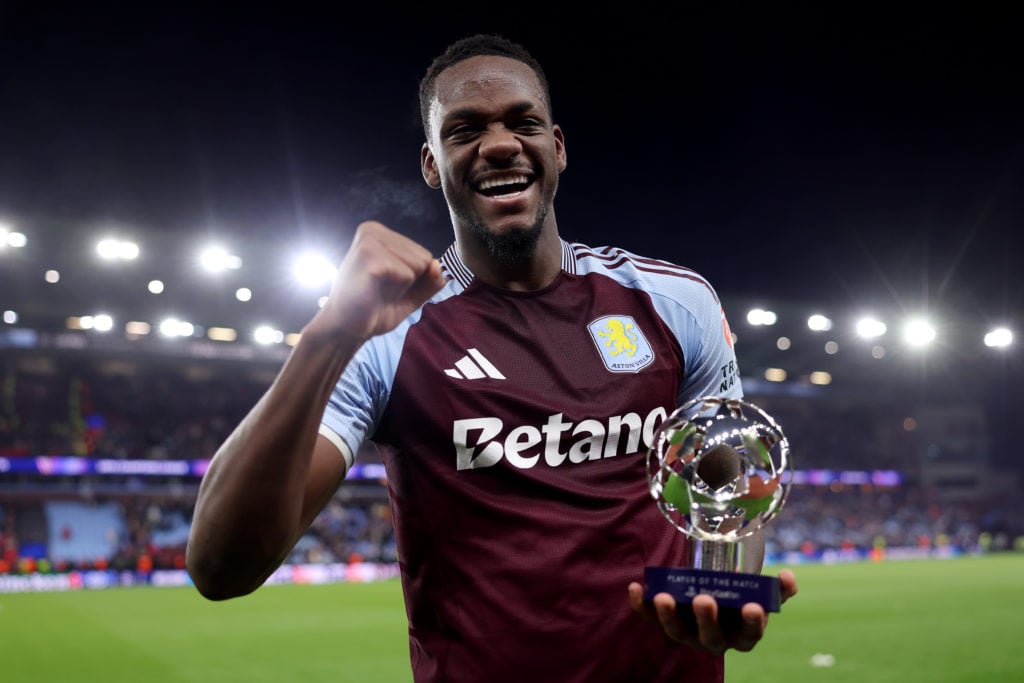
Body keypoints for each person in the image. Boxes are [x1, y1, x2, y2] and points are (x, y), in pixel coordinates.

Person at [186, 33, 797, 682]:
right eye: (465, 129)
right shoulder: (387, 331)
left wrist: (721, 589)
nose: (500, 143)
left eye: (523, 122)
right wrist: (326, 336)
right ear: (431, 164)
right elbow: (221, 568)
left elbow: (730, 496)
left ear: (556, 148)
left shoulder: (676, 302)